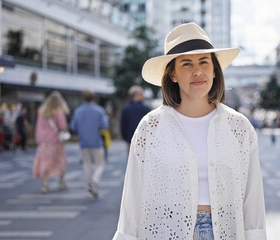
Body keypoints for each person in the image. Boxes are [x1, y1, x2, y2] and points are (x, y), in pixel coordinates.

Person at [112, 22, 267, 240]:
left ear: (214, 71)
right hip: (167, 229)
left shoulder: (238, 127)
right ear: (172, 74)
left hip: (225, 230)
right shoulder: (151, 127)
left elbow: (253, 196)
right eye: (186, 64)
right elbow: (133, 195)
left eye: (204, 62)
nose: (197, 71)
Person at [70, 89, 109, 199]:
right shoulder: (99, 110)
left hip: (83, 142)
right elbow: (104, 125)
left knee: (86, 164)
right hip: (96, 141)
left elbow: (73, 127)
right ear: (93, 97)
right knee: (100, 164)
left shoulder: (78, 111)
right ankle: (95, 180)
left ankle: (89, 184)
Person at [33, 91, 70, 194]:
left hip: (43, 141)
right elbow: (62, 126)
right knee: (60, 159)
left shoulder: (42, 112)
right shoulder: (59, 112)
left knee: (45, 160)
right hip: (55, 140)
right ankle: (61, 181)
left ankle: (45, 183)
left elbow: (38, 127)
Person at [120, 85, 150, 150]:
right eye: (141, 95)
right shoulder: (146, 109)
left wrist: (125, 137)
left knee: (130, 158)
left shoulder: (126, 109)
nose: (143, 97)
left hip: (129, 139)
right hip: (143, 139)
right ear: (137, 95)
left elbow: (123, 126)